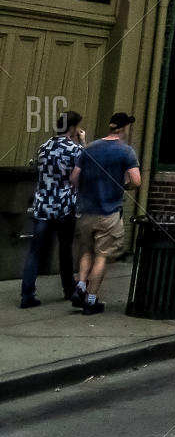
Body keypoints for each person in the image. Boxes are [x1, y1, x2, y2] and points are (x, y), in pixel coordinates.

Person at [71, 112, 141, 316]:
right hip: (108, 213)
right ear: (124, 128)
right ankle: (91, 301)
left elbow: (74, 177)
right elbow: (136, 181)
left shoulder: (90, 148)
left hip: (85, 212)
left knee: (85, 251)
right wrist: (122, 186)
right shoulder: (125, 152)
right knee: (101, 257)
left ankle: (81, 285)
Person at [19, 110, 84, 309]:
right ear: (73, 128)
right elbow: (78, 175)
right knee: (65, 250)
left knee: (35, 251)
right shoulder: (75, 149)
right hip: (64, 206)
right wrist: (83, 142)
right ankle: (68, 288)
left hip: (42, 205)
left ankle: (27, 294)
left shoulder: (43, 147)